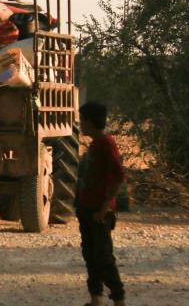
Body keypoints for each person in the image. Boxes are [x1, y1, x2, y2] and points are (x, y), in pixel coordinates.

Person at [76, 102, 126, 306]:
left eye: (82, 120)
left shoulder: (106, 143)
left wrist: (104, 209)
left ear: (89, 121)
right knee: (90, 254)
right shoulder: (96, 144)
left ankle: (119, 299)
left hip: (99, 212)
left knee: (104, 257)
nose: (80, 125)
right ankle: (96, 298)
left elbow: (119, 176)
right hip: (87, 208)